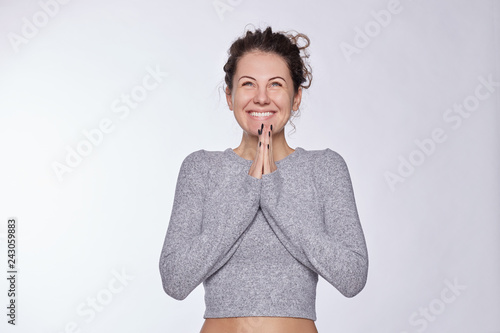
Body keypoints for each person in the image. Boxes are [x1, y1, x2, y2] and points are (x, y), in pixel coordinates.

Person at [159, 26, 368, 333]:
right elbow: (175, 280)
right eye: (248, 84)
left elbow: (352, 277)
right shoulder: (201, 169)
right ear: (230, 96)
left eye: (275, 85)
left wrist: (271, 189)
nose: (260, 98)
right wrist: (249, 192)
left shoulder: (324, 168)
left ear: (295, 97)